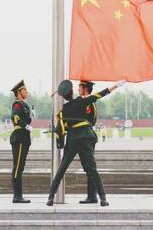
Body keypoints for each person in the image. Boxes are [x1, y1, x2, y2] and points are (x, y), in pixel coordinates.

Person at [47, 79, 125, 207]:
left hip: (73, 139)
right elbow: (99, 95)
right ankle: (103, 198)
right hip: (85, 137)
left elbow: (61, 128)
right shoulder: (82, 102)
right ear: (72, 92)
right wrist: (115, 86)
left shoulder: (64, 110)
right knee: (92, 169)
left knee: (62, 168)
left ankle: (50, 197)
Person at [78, 80, 102, 204]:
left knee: (90, 166)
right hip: (83, 136)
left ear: (85, 88)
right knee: (87, 166)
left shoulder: (89, 102)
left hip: (86, 136)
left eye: (79, 87)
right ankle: (91, 195)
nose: (78, 89)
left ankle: (92, 196)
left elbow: (91, 120)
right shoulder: (84, 101)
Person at [9, 80, 32, 203]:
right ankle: (17, 196)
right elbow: (16, 118)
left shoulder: (24, 104)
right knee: (17, 167)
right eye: (24, 90)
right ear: (19, 92)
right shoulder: (17, 104)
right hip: (19, 137)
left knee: (20, 167)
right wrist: (26, 126)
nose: (26, 92)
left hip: (24, 137)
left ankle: (19, 195)